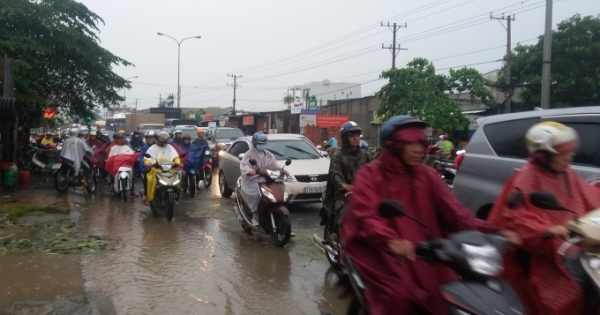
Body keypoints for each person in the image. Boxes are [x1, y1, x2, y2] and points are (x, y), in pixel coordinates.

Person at [341, 115, 518, 315]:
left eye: (421, 143)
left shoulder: (427, 175)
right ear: (393, 145)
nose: (419, 149)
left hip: (429, 251)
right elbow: (366, 216)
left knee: (454, 288)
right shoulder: (370, 175)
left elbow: (456, 213)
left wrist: (494, 231)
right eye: (411, 144)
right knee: (398, 295)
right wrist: (390, 241)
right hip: (385, 253)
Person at [487, 122, 600, 315]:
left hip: (574, 248)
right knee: (565, 298)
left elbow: (590, 195)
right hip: (541, 256)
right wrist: (546, 230)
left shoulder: (566, 173)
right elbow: (516, 218)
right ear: (543, 154)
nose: (569, 158)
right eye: (563, 153)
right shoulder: (525, 177)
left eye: (570, 152)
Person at [323, 121, 373, 236]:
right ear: (345, 138)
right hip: (344, 196)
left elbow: (374, 171)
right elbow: (335, 174)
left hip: (364, 194)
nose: (356, 138)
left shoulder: (366, 155)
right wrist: (344, 186)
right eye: (352, 136)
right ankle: (343, 250)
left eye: (357, 136)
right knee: (345, 219)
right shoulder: (337, 156)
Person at [239, 132, 288, 226]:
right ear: (254, 143)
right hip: (253, 180)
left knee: (279, 191)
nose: (262, 145)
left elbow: (275, 165)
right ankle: (255, 214)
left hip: (267, 179)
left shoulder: (268, 154)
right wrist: (251, 171)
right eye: (260, 144)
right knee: (258, 194)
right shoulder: (249, 155)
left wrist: (283, 170)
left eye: (263, 144)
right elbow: (244, 166)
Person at [142, 131, 181, 204]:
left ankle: (175, 197)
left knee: (177, 180)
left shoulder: (170, 147)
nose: (164, 140)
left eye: (165, 139)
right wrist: (148, 163)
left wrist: (177, 162)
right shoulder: (152, 148)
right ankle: (147, 195)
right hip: (156, 169)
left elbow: (175, 156)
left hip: (169, 170)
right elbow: (147, 158)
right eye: (162, 139)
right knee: (147, 177)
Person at [139, 131, 156, 205]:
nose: (150, 139)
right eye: (148, 138)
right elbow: (142, 158)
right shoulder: (144, 148)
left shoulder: (158, 146)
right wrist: (146, 165)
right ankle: (147, 195)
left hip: (159, 167)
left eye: (151, 137)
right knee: (147, 178)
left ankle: (173, 194)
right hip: (148, 168)